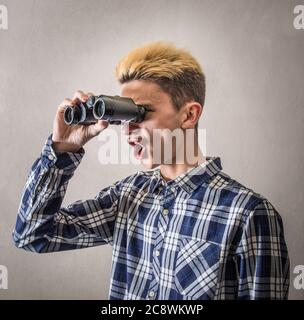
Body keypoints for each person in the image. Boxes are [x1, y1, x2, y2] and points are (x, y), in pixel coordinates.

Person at [13, 42, 290, 300]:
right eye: (122, 117)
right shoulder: (129, 196)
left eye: (140, 114)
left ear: (189, 114)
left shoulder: (248, 214)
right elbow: (32, 235)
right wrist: (62, 150)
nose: (128, 130)